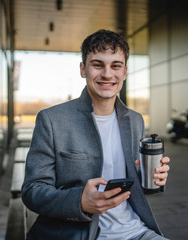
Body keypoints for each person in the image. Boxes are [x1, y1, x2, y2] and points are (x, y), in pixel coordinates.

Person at [22, 29, 170, 240]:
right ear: (83, 69)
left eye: (115, 66)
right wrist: (79, 202)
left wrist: (154, 178)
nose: (107, 74)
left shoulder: (135, 120)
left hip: (135, 231)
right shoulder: (52, 120)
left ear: (125, 72)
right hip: (80, 234)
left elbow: (131, 187)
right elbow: (32, 191)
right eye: (97, 65)